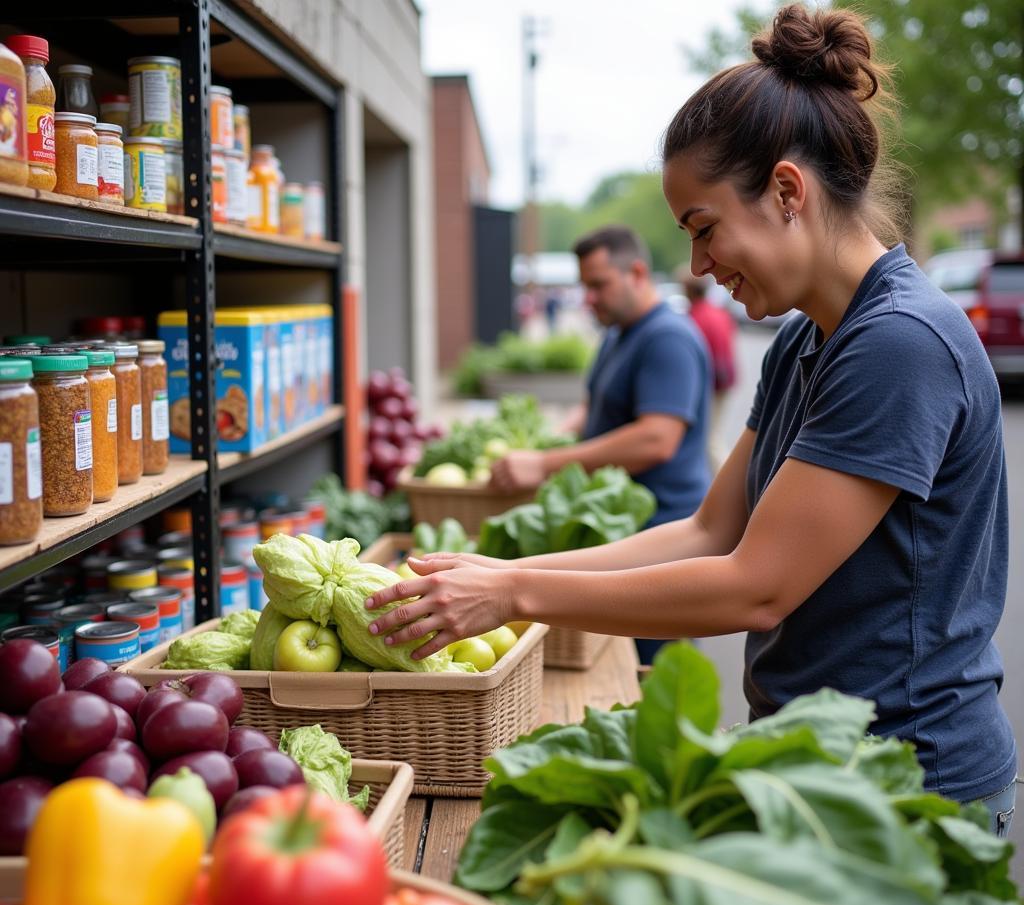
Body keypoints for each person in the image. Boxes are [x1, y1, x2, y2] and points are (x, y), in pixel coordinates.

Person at [365, 5, 1017, 833]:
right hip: (824, 767)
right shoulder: (807, 341)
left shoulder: (899, 343)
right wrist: (506, 572)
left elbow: (756, 587)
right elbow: (711, 531)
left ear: (787, 191)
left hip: (911, 785)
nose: (700, 267)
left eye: (705, 230)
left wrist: (517, 593)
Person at [490, 225, 712, 533]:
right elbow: (592, 404)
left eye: (598, 285)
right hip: (616, 517)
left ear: (636, 273)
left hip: (660, 525)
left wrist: (543, 464)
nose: (589, 298)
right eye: (584, 287)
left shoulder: (668, 338)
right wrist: (549, 439)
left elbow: (657, 439)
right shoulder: (616, 332)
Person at [680, 270, 738, 470]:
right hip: (725, 380)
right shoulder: (720, 313)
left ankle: (727, 483)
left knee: (709, 439)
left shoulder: (694, 318)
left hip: (711, 384)